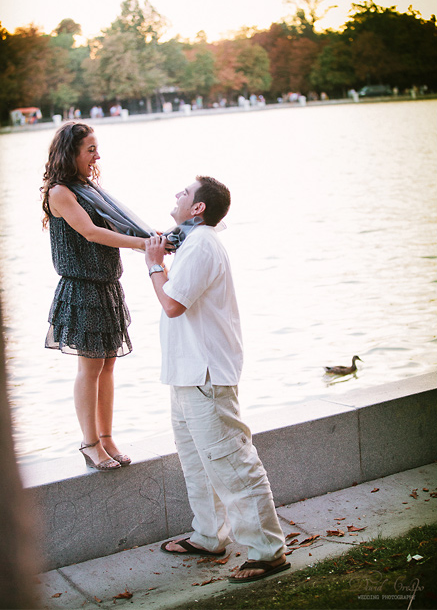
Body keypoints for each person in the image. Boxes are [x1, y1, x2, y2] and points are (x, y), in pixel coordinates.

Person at [143, 176, 289, 583]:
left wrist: (154, 264)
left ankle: (267, 551)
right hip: (186, 373)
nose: (176, 194)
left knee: (233, 464)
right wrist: (161, 259)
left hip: (206, 374)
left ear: (198, 208)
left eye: (184, 192)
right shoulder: (191, 243)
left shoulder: (203, 243)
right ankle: (209, 536)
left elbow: (172, 303)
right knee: (197, 463)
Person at [41, 122, 144, 471]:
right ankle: (90, 443)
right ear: (71, 153)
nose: (97, 155)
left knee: (109, 363)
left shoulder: (88, 187)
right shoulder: (60, 192)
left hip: (106, 285)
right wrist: (144, 244)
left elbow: (118, 222)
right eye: (90, 149)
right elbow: (91, 232)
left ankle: (107, 436)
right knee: (91, 367)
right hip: (82, 287)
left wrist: (152, 234)